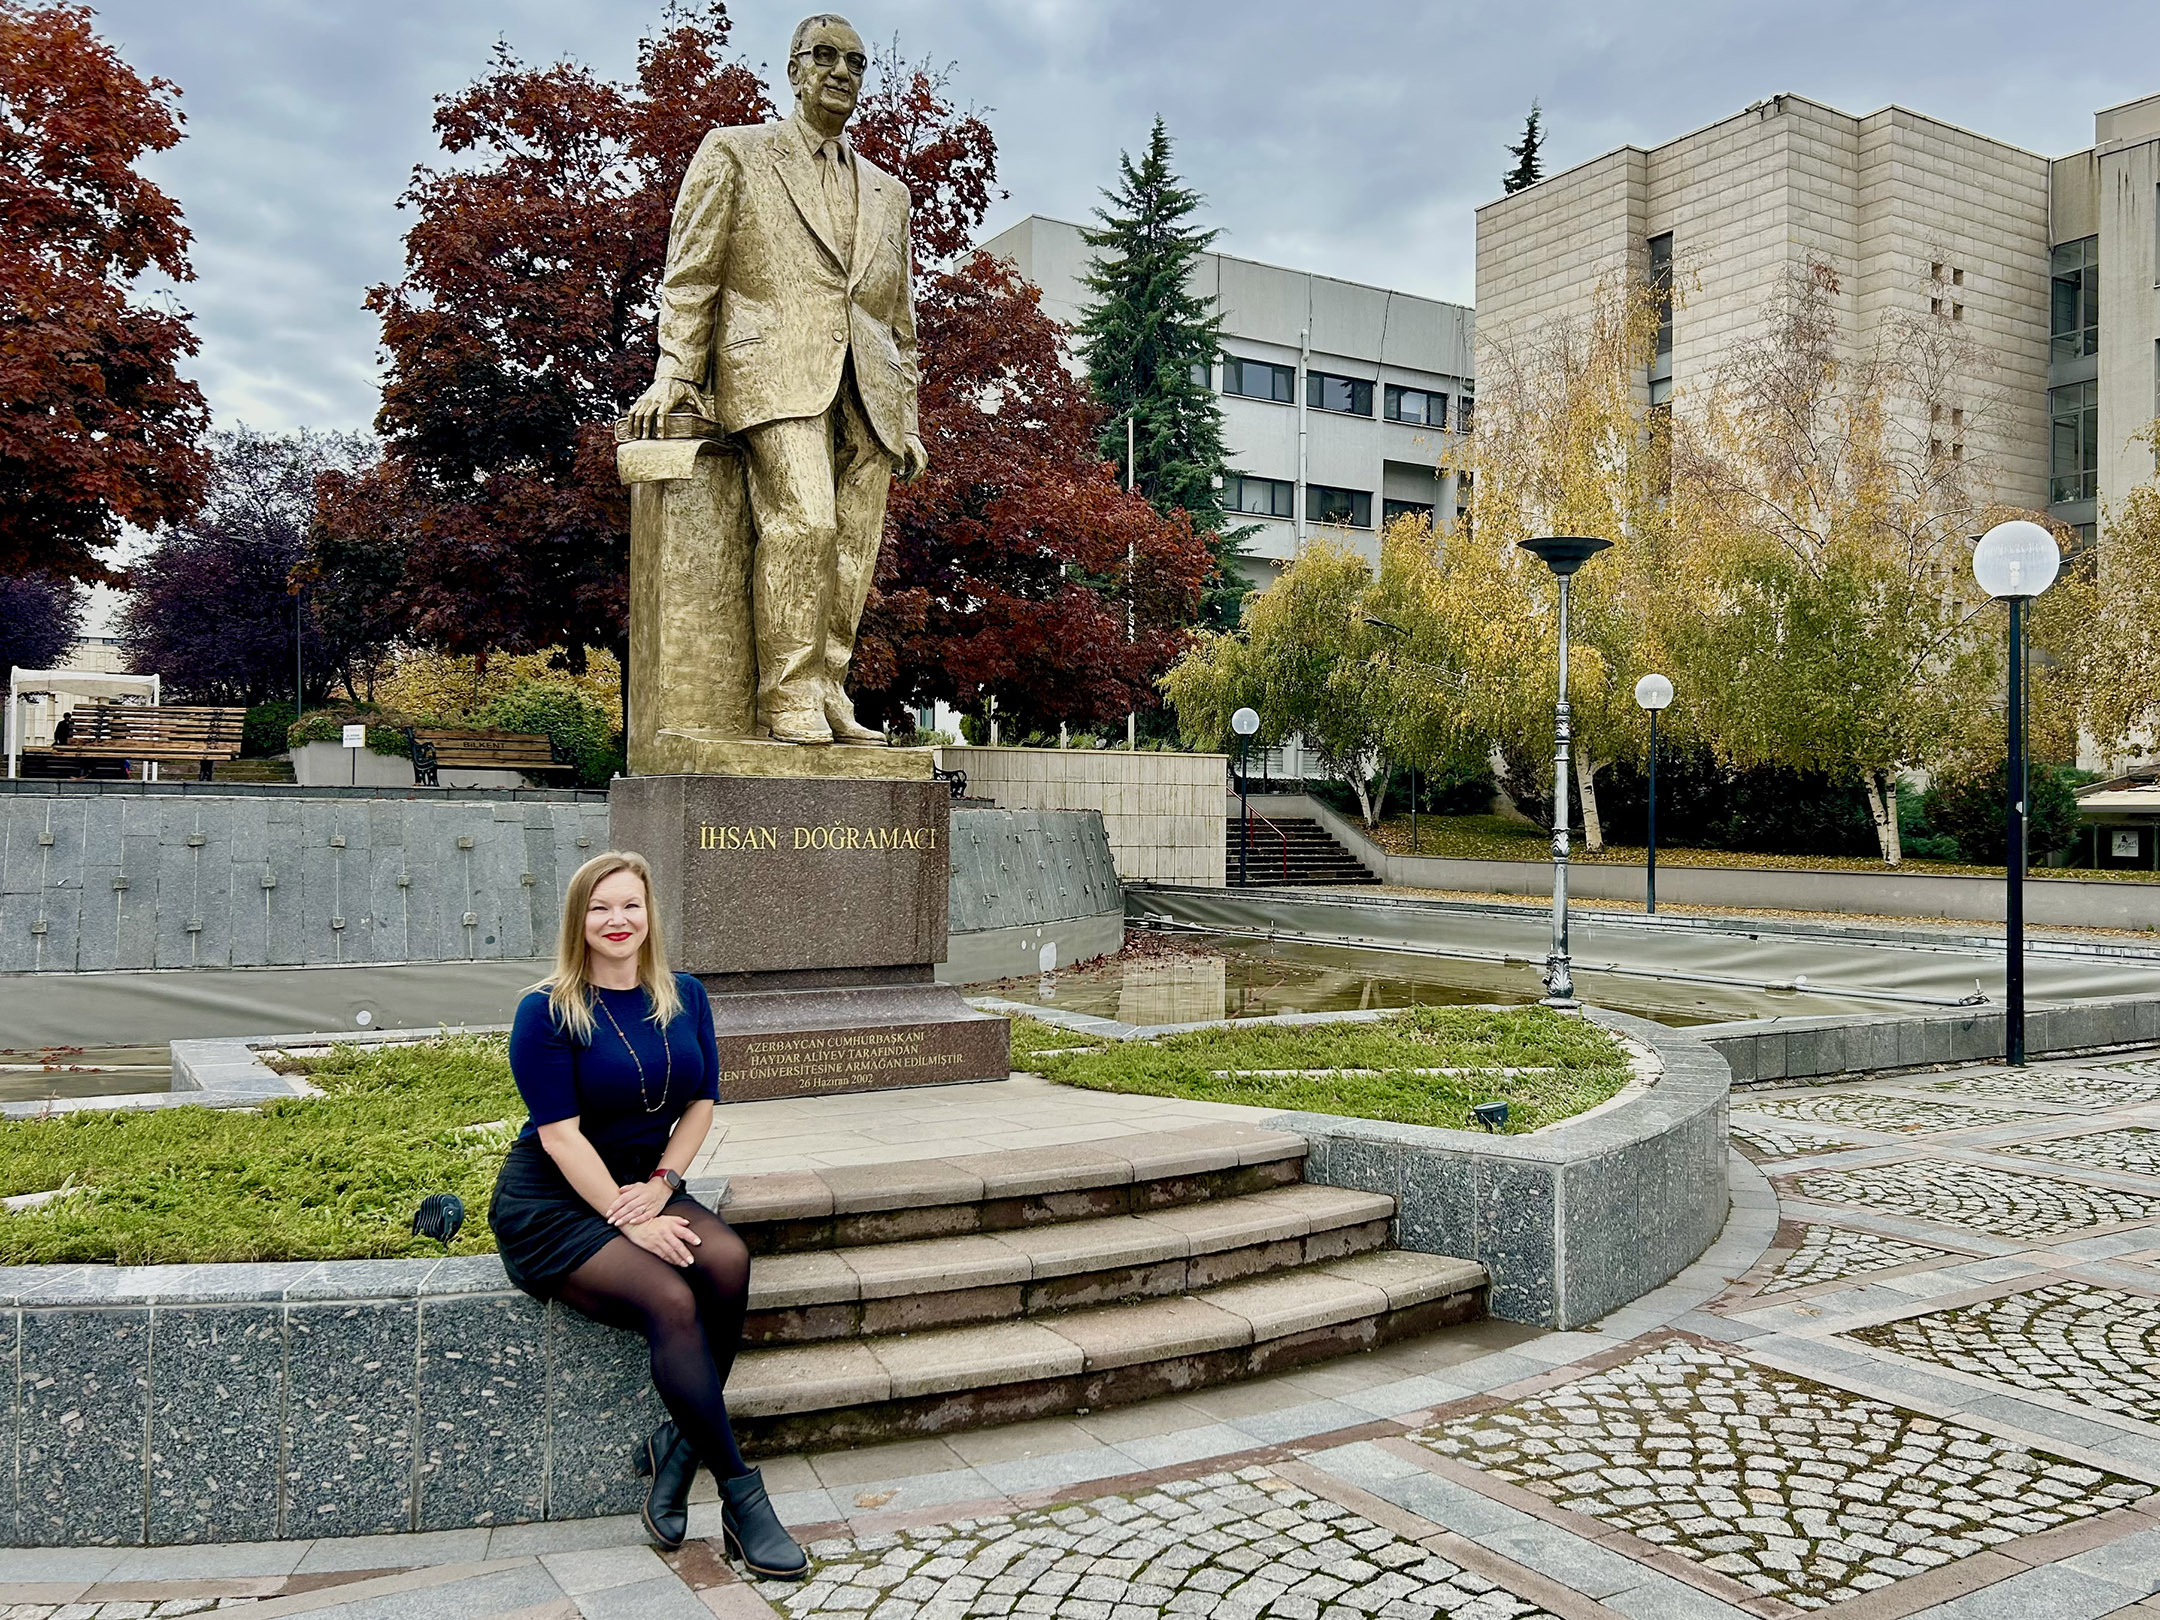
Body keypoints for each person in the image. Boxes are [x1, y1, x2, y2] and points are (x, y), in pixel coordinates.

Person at [489, 850, 806, 1577]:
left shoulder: (684, 995)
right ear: (579, 920)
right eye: (601, 908)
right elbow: (560, 1135)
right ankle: (741, 1494)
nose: (617, 920)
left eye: (630, 905)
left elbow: (702, 1104)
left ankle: (680, 1445)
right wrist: (629, 1219)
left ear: (649, 914)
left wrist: (663, 1186)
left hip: (644, 1183)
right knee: (670, 1294)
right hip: (557, 1202)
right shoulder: (546, 1010)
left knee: (726, 1259)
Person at [625, 10, 928, 747]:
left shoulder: (889, 193)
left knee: (853, 549)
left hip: (870, 389)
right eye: (823, 57)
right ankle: (785, 694)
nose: (839, 73)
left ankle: (827, 688)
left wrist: (909, 413)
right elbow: (692, 271)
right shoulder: (736, 152)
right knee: (807, 524)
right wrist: (675, 369)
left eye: (855, 63)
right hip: (772, 373)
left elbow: (898, 314)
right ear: (792, 70)